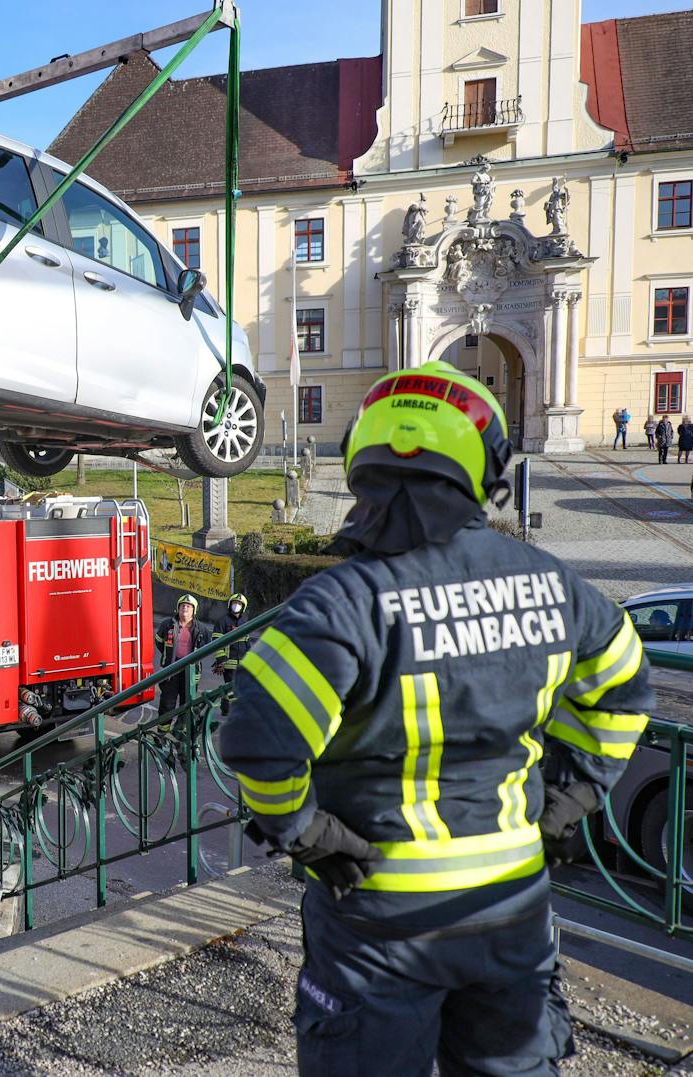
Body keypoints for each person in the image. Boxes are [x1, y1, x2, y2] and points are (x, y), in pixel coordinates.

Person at [221, 358, 653, 1075]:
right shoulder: (555, 586)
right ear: (482, 470)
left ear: (365, 460)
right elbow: (624, 688)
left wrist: (307, 832)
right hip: (512, 906)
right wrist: (566, 800)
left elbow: (262, 745)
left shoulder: (338, 606)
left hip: (378, 919)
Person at [155, 594, 215, 720]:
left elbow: (207, 648)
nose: (185, 608)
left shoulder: (202, 629)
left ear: (194, 610)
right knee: (167, 703)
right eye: (182, 606)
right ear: (178, 608)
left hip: (190, 672)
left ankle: (181, 730)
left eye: (188, 606)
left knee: (187, 704)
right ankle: (161, 733)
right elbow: (159, 642)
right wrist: (169, 656)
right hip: (170, 671)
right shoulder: (167, 625)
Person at [213, 592, 253, 716]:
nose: (236, 605)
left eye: (239, 604)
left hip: (242, 662)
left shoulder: (245, 621)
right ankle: (233, 711)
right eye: (235, 603)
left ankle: (226, 708)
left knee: (237, 687)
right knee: (231, 688)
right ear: (230, 604)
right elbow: (216, 642)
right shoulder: (222, 621)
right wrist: (221, 660)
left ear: (243, 606)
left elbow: (247, 641)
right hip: (228, 663)